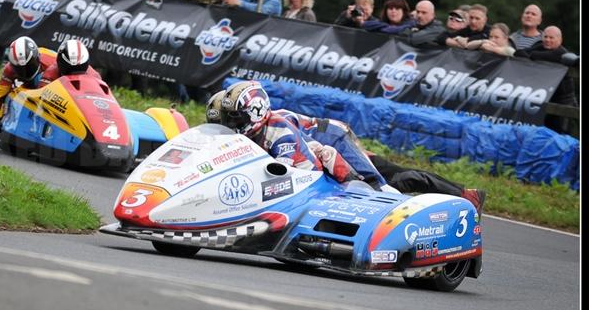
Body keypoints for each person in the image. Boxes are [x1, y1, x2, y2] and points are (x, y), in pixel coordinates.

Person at [206, 93, 487, 211]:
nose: (228, 126)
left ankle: (467, 197)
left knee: (384, 186)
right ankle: (465, 193)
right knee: (393, 170)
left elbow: (304, 161)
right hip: (323, 144)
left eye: (230, 120)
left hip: (336, 139)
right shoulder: (258, 127)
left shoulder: (277, 130)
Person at [216, 82, 361, 183]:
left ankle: (365, 190)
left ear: (256, 112)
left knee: (329, 154)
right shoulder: (248, 134)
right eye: (226, 118)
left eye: (236, 118)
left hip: (308, 181)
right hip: (290, 180)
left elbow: (278, 175)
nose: (230, 124)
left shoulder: (280, 129)